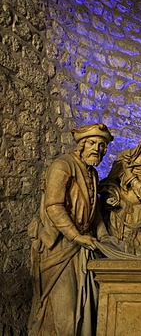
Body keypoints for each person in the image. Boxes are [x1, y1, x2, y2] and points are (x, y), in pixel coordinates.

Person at [28, 123, 114, 335]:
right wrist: (76, 236)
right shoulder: (63, 165)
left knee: (81, 306)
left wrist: (105, 237)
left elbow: (93, 214)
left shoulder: (92, 174)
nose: (97, 148)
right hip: (58, 246)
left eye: (101, 145)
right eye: (92, 143)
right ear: (82, 145)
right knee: (62, 307)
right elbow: (54, 205)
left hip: (79, 248)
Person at [100, 129, 141, 253]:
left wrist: (130, 176)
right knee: (115, 250)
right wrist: (111, 195)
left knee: (139, 252)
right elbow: (110, 182)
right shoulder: (125, 157)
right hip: (118, 213)